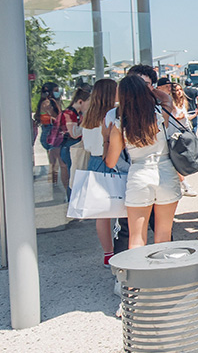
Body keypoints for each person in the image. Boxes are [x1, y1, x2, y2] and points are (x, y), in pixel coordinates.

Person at [104, 76, 182, 249]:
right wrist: (152, 90)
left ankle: (140, 274)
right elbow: (167, 98)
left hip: (139, 174)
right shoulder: (161, 115)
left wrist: (106, 140)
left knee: (137, 237)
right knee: (163, 234)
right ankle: (163, 273)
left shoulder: (120, 125)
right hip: (166, 172)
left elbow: (110, 162)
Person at [80, 79, 124, 267]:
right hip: (112, 161)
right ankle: (123, 251)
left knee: (102, 214)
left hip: (94, 162)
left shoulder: (88, 116)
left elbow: (86, 144)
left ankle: (108, 253)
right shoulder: (111, 116)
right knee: (122, 209)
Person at [160, 77, 198, 197]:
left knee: (178, 161)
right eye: (170, 88)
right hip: (172, 135)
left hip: (181, 134)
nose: (178, 92)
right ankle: (185, 184)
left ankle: (181, 184)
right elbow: (172, 118)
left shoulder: (180, 102)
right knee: (175, 161)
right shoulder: (167, 102)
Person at [57, 88, 90, 198]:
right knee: (74, 175)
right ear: (80, 102)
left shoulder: (76, 113)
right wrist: (87, 124)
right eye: (88, 103)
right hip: (70, 147)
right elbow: (74, 133)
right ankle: (72, 198)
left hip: (72, 147)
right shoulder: (70, 113)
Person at [34, 82, 63, 184]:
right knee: (58, 162)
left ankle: (53, 182)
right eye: (55, 91)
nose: (58, 93)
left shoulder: (44, 102)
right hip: (52, 133)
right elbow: (51, 118)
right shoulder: (49, 103)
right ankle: (54, 182)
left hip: (47, 132)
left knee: (53, 162)